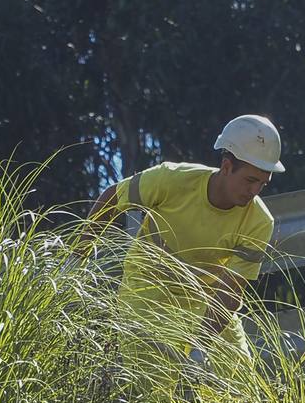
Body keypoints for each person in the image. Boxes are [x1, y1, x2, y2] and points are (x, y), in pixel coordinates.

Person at [85, 114, 283, 388]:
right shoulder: (171, 179)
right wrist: (77, 256)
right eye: (250, 180)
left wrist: (200, 347)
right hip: (148, 290)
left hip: (205, 298)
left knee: (241, 391)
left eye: (263, 183)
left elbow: (230, 292)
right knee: (152, 389)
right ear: (227, 166)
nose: (255, 190)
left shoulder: (260, 222)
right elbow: (112, 198)